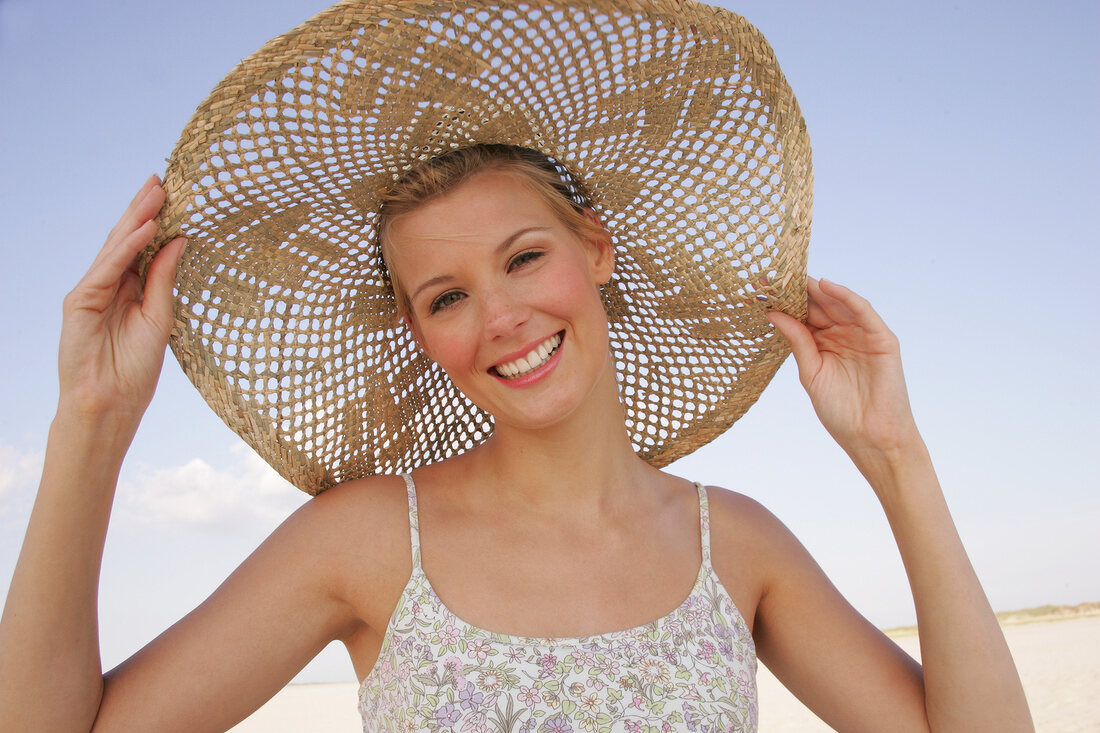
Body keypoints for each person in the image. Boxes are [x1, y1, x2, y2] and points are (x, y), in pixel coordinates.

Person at [0, 3, 1032, 732]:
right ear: (417, 333)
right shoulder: (363, 540)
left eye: (523, 258)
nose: (499, 317)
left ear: (594, 250)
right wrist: (91, 420)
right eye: (444, 296)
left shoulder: (737, 547)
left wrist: (895, 457)